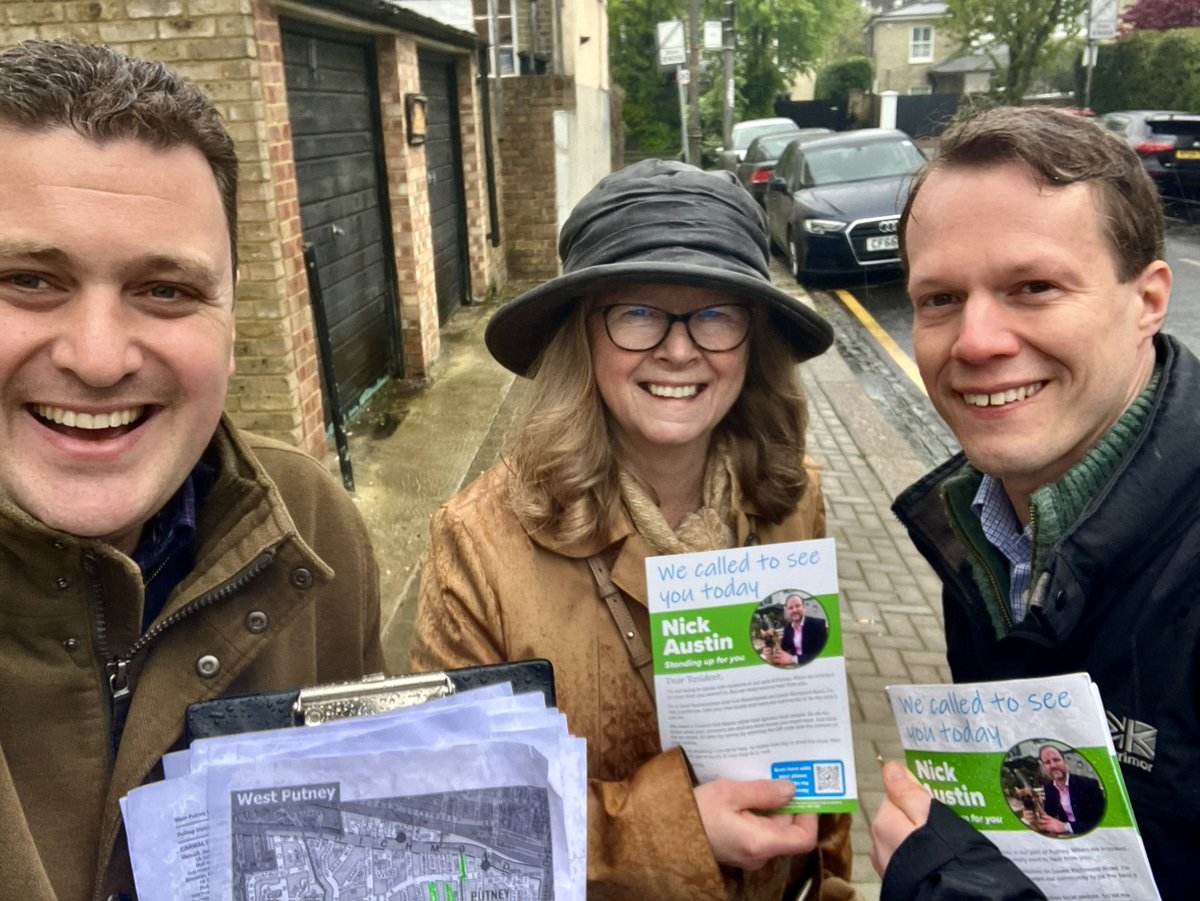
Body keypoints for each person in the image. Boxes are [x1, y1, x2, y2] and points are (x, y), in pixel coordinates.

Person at [409, 159, 857, 899]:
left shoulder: (789, 496)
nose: (679, 350)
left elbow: (814, 721)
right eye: (638, 313)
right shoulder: (480, 543)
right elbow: (451, 818)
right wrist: (678, 831)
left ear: (753, 337)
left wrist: (831, 876)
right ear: (582, 335)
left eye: (715, 313)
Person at [0, 41, 384, 900]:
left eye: (165, 289)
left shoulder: (312, 524)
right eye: (28, 279)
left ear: (232, 314)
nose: (98, 359)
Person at [871, 104, 1194, 900]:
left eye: (1034, 286)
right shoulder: (986, 527)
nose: (976, 341)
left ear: (1148, 300)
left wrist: (949, 877)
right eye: (940, 299)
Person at [1029, 746, 1104, 837]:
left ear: (1065, 762)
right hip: (1064, 836)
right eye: (1047, 762)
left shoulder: (1089, 784)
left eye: (1056, 760)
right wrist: (1033, 817)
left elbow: (1101, 822)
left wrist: (1066, 827)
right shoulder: (1049, 788)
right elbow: (1050, 815)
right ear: (1044, 767)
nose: (1053, 765)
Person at [771, 593, 829, 667]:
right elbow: (784, 648)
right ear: (787, 610)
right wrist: (771, 650)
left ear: (804, 607)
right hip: (793, 667)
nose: (794, 610)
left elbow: (822, 654)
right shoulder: (787, 627)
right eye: (791, 608)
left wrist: (793, 659)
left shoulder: (818, 624)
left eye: (797, 606)